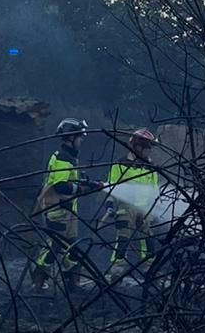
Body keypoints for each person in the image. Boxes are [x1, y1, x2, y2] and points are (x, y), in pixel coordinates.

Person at [30, 118, 104, 292]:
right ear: (71, 137)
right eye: (80, 136)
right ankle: (38, 281)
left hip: (67, 211)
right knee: (54, 246)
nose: (81, 140)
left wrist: (89, 185)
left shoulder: (68, 158)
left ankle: (73, 283)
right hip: (58, 210)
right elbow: (61, 185)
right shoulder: (63, 158)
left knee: (71, 248)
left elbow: (69, 182)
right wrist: (82, 188)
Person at [104, 128, 160, 283]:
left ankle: (150, 270)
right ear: (138, 146)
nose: (150, 152)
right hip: (126, 207)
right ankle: (117, 271)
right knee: (123, 239)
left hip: (145, 208)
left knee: (148, 241)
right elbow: (112, 187)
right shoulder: (120, 164)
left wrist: (154, 209)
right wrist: (109, 206)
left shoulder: (150, 166)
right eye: (148, 148)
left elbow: (154, 189)